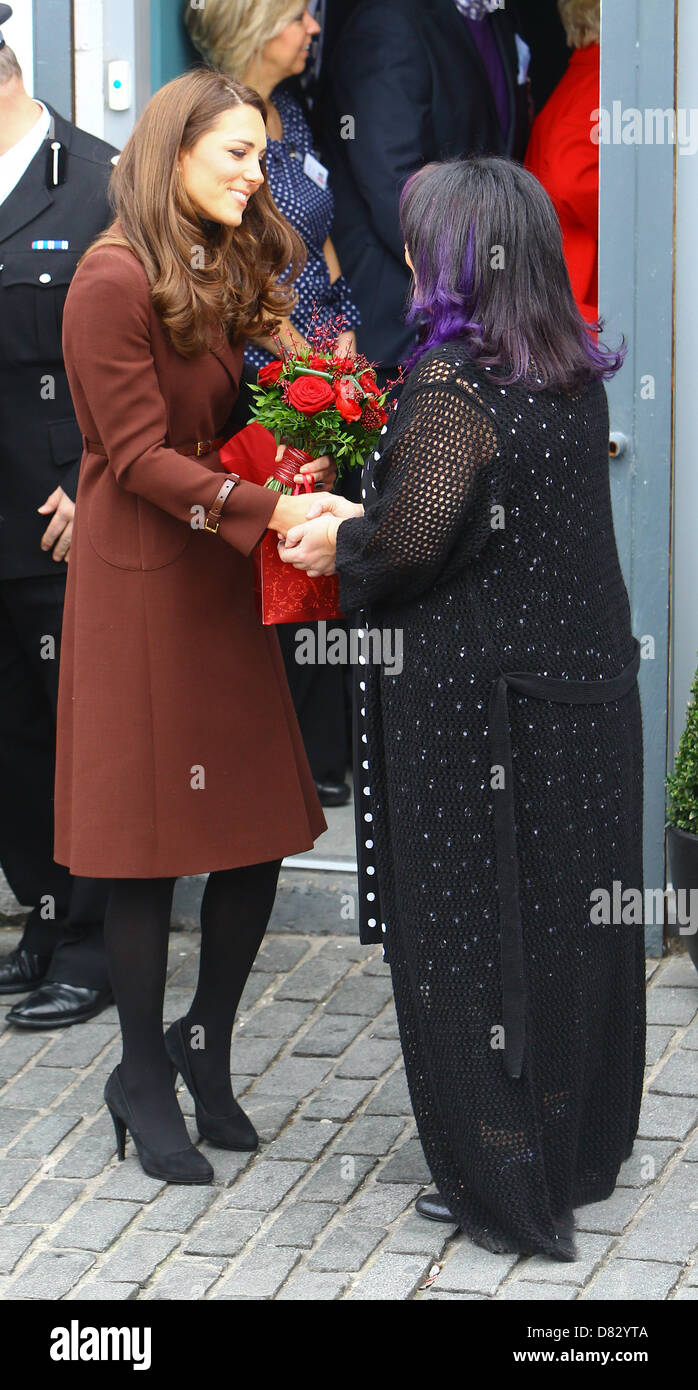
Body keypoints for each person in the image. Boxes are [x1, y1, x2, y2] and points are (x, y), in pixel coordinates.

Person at [278, 157, 645, 1261]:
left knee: (472, 940)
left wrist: (336, 536)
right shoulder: (565, 367)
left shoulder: (452, 388)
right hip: (581, 700)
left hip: (478, 717)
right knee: (573, 932)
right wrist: (366, 515)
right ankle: (573, 1150)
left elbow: (405, 545)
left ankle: (501, 1169)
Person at [56, 68, 328, 1183]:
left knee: (255, 827)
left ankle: (201, 1045)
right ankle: (139, 1072)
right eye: (237, 154)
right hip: (142, 582)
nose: (257, 174)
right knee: (149, 848)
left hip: (218, 565)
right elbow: (135, 459)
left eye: (262, 154)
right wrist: (270, 509)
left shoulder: (217, 255)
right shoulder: (109, 278)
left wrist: (314, 440)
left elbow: (259, 397)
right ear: (174, 154)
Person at [186, 0, 362, 807]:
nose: (313, 28)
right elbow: (230, 263)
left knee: (328, 549)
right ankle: (273, 768)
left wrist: (345, 334)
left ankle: (323, 756)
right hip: (265, 382)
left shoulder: (289, 109)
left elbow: (318, 232)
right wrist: (303, 364)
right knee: (280, 566)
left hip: (324, 364)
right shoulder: (212, 124)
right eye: (297, 14)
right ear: (255, 27)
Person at [0, 3, 113, 1028]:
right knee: (12, 739)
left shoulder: (99, 182)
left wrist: (97, 482)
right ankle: (41, 915)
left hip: (58, 514)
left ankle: (93, 942)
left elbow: (148, 357)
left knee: (84, 733)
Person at [315, 0, 532, 376]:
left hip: (462, 310)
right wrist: (465, 282)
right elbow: (394, 183)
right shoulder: (389, 20)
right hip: (400, 317)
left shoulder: (496, 17)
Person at [525, 0, 601, 323]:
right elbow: (572, 176)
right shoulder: (603, 82)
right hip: (586, 294)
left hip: (561, 288)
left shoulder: (581, 76)